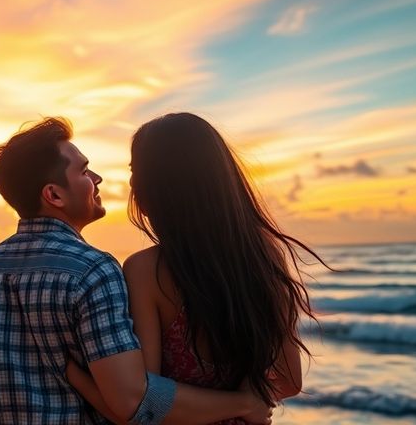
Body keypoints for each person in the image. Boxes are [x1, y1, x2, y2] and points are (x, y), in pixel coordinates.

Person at [0, 117, 271, 425]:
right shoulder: (93, 271)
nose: (97, 178)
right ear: (54, 195)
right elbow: (132, 400)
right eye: (83, 170)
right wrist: (242, 403)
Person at [67, 112, 321, 424]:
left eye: (136, 170)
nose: (131, 181)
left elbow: (146, 401)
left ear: (162, 184)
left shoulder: (146, 270)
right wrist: (244, 402)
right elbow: (289, 380)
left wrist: (74, 374)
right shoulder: (263, 254)